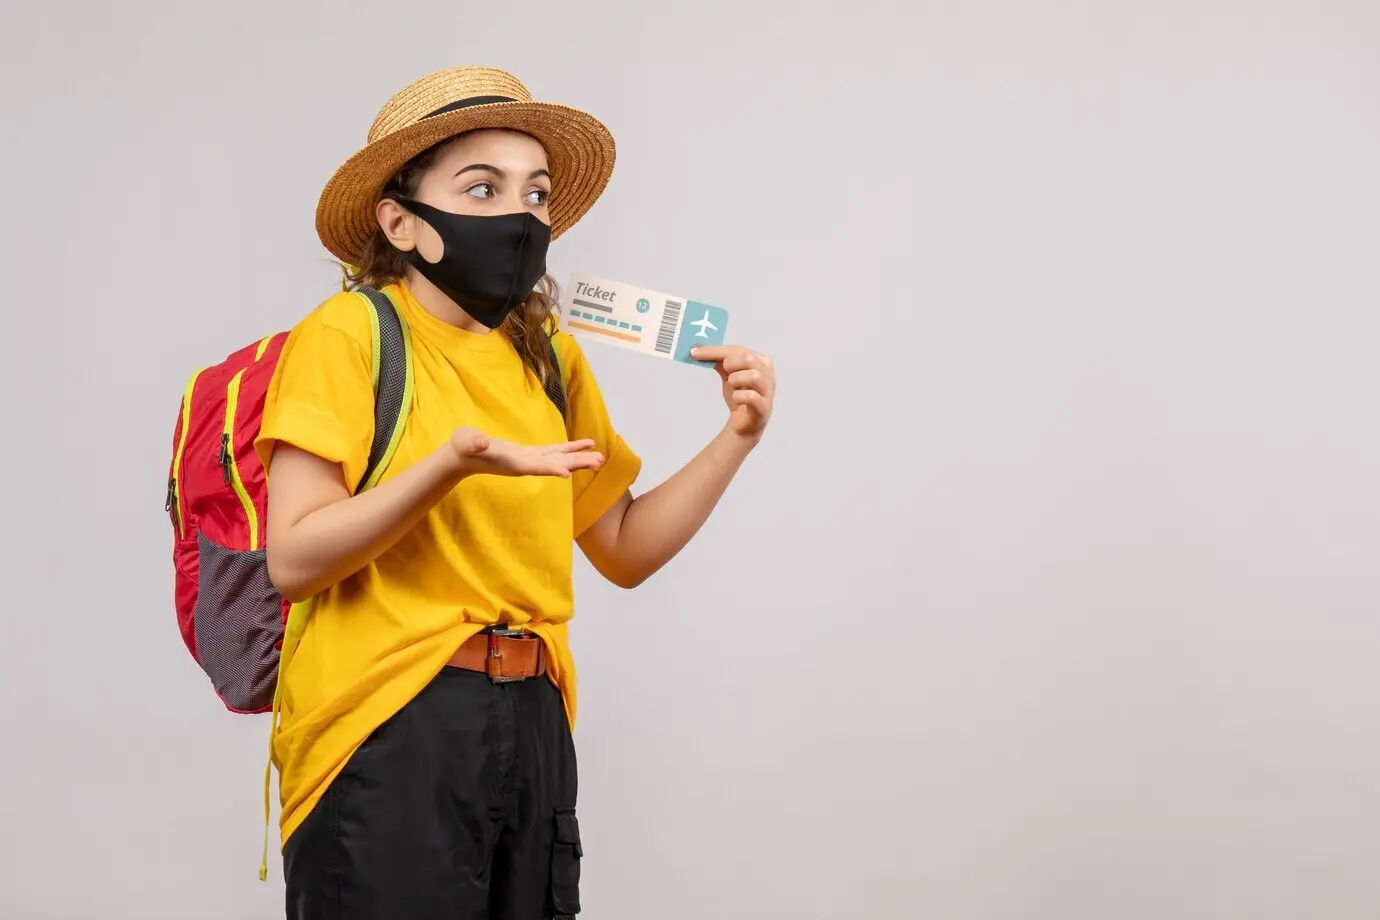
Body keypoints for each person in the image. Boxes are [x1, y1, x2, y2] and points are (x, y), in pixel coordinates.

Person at [255, 66, 776, 919]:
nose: (521, 214)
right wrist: (447, 467)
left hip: (534, 719)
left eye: (534, 193)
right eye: (481, 187)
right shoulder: (350, 335)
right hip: (387, 722)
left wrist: (737, 438)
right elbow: (295, 558)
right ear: (402, 221)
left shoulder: (549, 358)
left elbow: (624, 548)